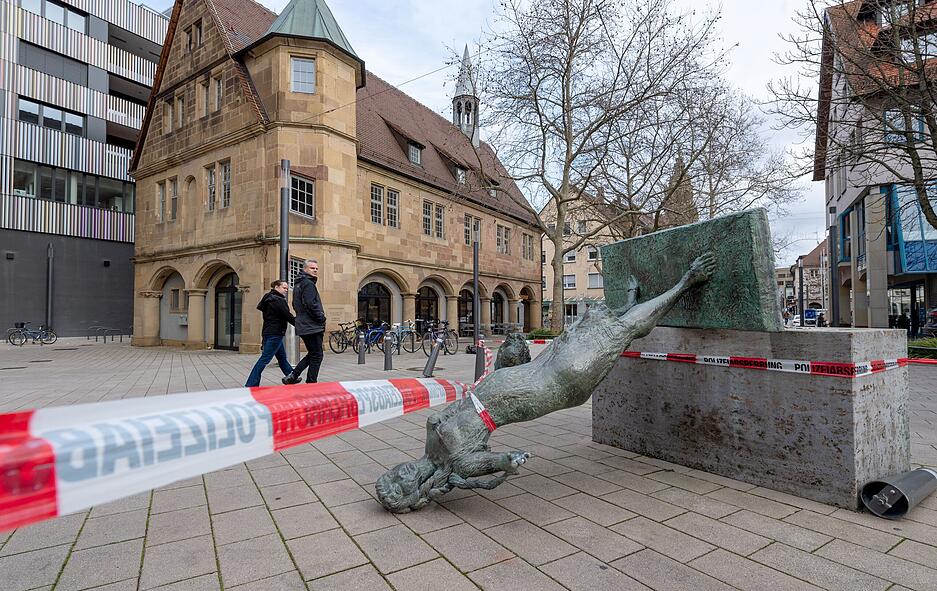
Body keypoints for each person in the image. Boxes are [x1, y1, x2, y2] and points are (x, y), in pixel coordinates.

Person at [283, 259, 326, 384]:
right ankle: (311, 383)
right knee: (317, 355)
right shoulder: (308, 284)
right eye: (312, 268)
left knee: (313, 354)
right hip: (312, 325)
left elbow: (295, 304)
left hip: (304, 324)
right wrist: (321, 318)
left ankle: (293, 375)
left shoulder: (298, 284)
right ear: (305, 269)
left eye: (317, 268)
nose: (315, 270)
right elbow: (311, 304)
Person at [245, 280, 295, 387]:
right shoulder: (278, 300)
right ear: (276, 287)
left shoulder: (268, 298)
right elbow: (287, 315)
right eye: (284, 288)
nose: (286, 290)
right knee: (264, 359)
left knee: (282, 358)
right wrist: (301, 325)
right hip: (275, 333)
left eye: (287, 288)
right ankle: (251, 383)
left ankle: (292, 376)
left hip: (269, 332)